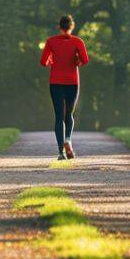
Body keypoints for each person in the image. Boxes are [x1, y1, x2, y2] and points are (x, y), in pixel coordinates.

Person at [39, 14, 89, 160]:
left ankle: (61, 152)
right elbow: (85, 60)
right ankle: (68, 139)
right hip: (72, 82)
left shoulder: (51, 41)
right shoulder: (78, 41)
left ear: (59, 27)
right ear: (72, 26)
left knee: (59, 116)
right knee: (69, 115)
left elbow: (43, 62)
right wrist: (76, 61)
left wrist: (51, 61)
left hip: (56, 82)